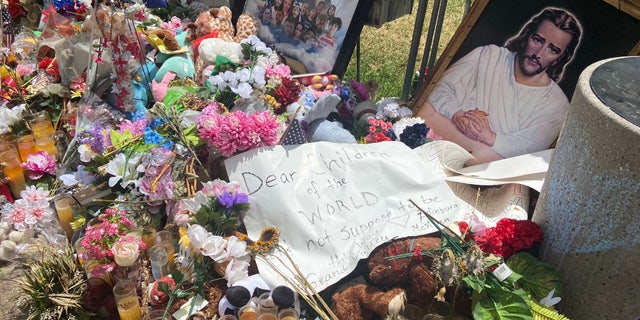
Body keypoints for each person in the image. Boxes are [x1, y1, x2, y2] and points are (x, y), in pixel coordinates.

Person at [416, 7, 582, 164]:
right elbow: (436, 92)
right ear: (527, 34)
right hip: (430, 146)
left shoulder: (557, 105)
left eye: (552, 50)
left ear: (560, 58)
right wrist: (457, 115)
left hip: (488, 177)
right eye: (537, 40)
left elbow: (525, 155)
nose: (538, 53)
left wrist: (490, 137)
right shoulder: (487, 56)